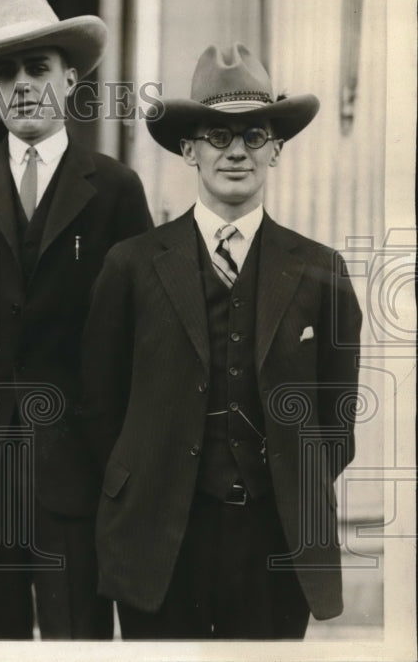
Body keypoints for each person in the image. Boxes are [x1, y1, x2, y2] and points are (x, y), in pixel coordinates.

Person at [82, 43, 363, 639]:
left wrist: (286, 489)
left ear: (277, 150)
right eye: (217, 135)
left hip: (274, 545)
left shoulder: (321, 272)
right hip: (159, 542)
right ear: (189, 148)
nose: (236, 151)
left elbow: (336, 424)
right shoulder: (131, 266)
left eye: (255, 135)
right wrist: (145, 485)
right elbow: (100, 406)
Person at [0, 0, 153, 639]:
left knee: (77, 640)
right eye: (5, 73)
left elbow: (145, 337)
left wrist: (124, 467)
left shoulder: (115, 187)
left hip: (79, 476)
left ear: (71, 80)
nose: (23, 83)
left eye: (38, 66)